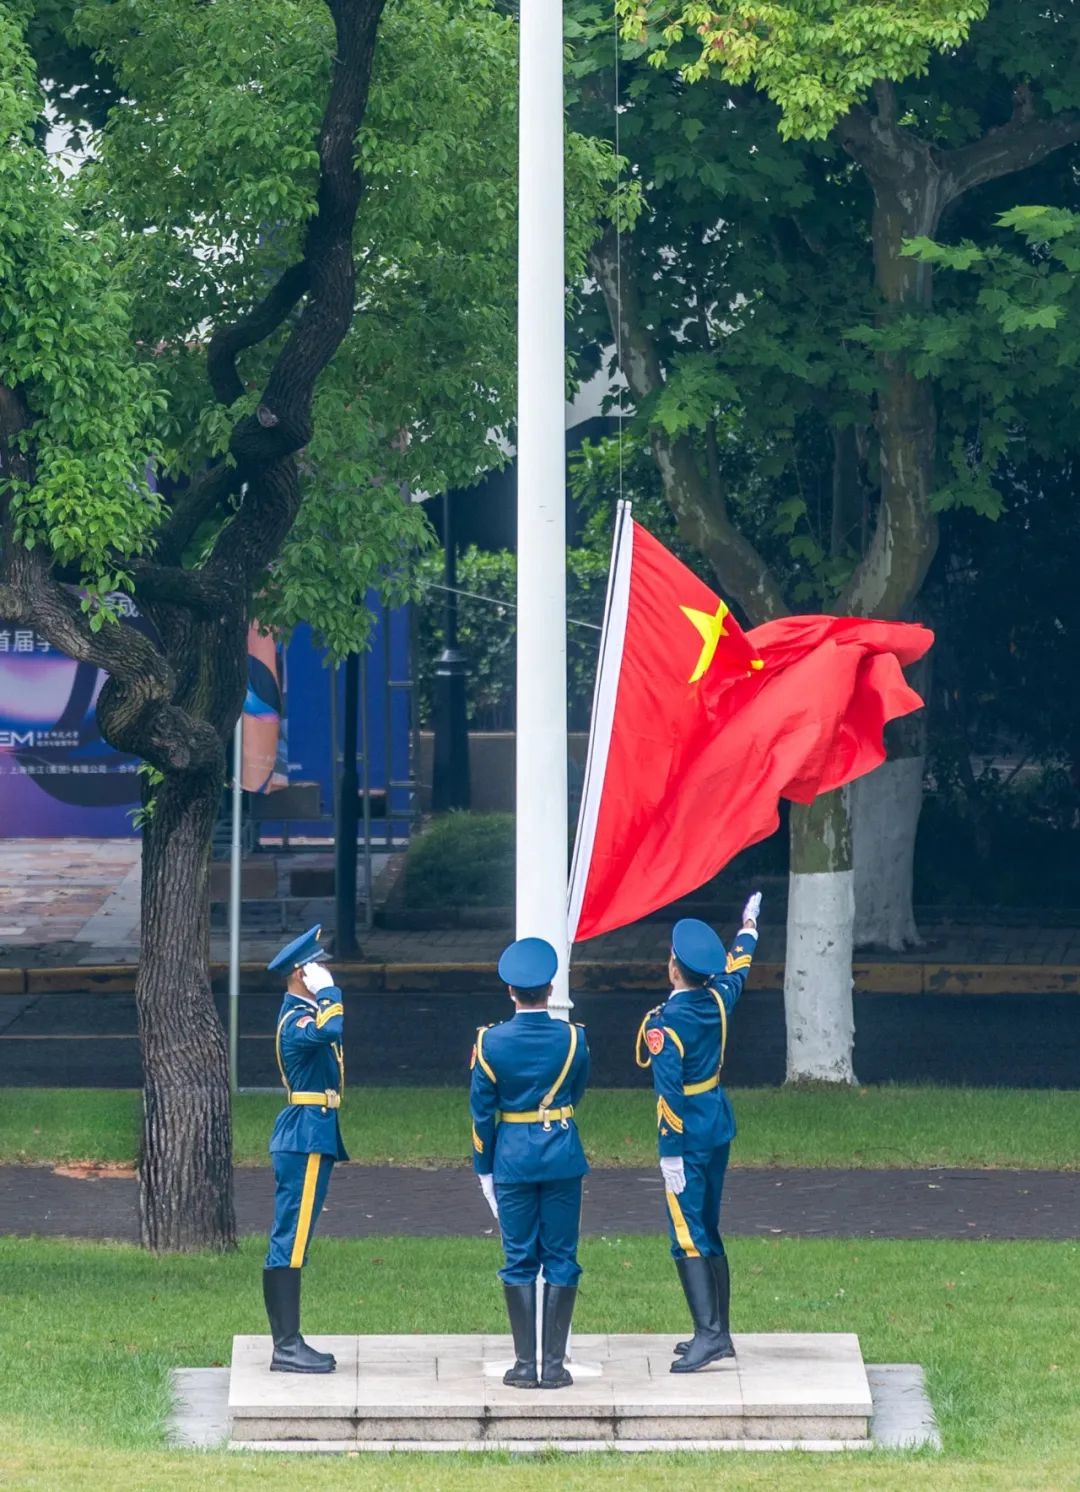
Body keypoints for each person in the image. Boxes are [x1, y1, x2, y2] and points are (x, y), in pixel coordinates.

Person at [636, 895, 761, 1374]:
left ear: (673, 968)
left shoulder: (665, 1025)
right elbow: (740, 964)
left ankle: (710, 1336)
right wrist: (748, 922)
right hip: (716, 1122)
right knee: (708, 1227)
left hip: (686, 1134)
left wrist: (669, 1153)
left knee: (687, 1236)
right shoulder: (718, 998)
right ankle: (718, 1331)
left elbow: (668, 1094)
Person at [469, 937, 590, 1390]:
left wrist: (484, 1168)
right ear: (551, 986)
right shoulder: (575, 1038)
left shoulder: (489, 1041)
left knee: (519, 1258)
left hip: (513, 1159)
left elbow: (482, 1112)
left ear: (510, 991)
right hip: (560, 1153)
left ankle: (524, 1365)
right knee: (561, 1256)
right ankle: (554, 1367)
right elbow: (576, 1092)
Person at [262, 923, 348, 1374]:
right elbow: (331, 1029)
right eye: (318, 966)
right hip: (304, 1136)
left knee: (292, 1238)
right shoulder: (298, 1021)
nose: (326, 970)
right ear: (302, 973)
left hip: (311, 1132)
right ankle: (287, 1346)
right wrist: (329, 993)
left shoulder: (301, 1013)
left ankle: (287, 1344)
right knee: (290, 1241)